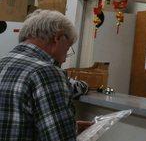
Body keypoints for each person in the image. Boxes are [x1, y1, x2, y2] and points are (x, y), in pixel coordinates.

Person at [0, 10, 91, 140]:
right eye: (67, 48)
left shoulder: (3, 63)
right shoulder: (46, 72)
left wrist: (72, 127)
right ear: (58, 38)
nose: (65, 59)